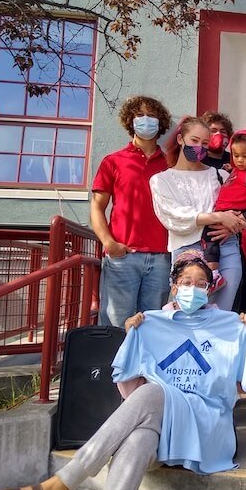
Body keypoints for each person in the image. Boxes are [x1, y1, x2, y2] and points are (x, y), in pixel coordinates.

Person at [4, 252, 246, 490]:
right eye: (186, 282)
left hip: (204, 427)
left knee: (152, 391)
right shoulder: (149, 323)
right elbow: (128, 384)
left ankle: (63, 482)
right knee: (139, 438)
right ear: (174, 288)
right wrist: (133, 336)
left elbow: (243, 384)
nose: (193, 289)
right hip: (163, 428)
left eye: (201, 284)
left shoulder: (230, 325)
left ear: (208, 291)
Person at [90, 95, 173, 327]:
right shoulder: (112, 162)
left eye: (152, 116)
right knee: (116, 324)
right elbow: (97, 207)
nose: (146, 120)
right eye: (140, 115)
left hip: (161, 258)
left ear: (161, 123)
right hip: (122, 256)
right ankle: (113, 365)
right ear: (130, 121)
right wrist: (109, 243)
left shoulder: (170, 164)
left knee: (153, 325)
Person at [149, 117, 246, 311]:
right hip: (186, 248)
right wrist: (219, 217)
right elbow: (173, 215)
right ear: (180, 139)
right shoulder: (161, 180)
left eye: (204, 143)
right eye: (194, 141)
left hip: (226, 248)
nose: (199, 147)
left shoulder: (221, 175)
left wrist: (233, 226)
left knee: (222, 312)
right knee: (190, 312)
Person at [200, 129, 246, 274]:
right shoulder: (236, 171)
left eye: (245, 156)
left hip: (236, 214)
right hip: (223, 214)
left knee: (211, 238)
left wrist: (243, 218)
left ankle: (213, 273)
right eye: (236, 155)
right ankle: (212, 272)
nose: (240, 160)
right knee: (211, 240)